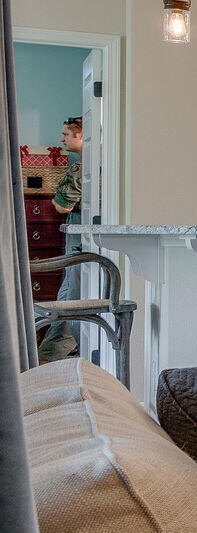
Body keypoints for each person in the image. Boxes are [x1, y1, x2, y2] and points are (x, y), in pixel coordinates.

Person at [37, 118, 83, 362]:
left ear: (81, 136)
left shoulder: (82, 166)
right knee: (68, 289)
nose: (61, 138)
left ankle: (54, 352)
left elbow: (62, 205)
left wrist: (58, 200)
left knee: (72, 290)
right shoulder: (80, 164)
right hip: (76, 231)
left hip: (79, 231)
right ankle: (52, 351)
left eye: (66, 134)